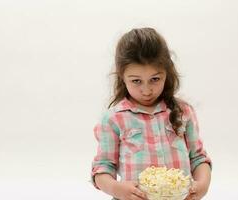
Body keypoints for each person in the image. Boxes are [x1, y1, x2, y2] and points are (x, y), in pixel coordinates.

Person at [91, 27, 212, 200]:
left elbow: (199, 158)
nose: (146, 90)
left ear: (167, 74)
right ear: (122, 78)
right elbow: (102, 168)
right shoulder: (113, 119)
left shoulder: (182, 111)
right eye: (136, 81)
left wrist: (202, 186)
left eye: (155, 79)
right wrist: (117, 189)